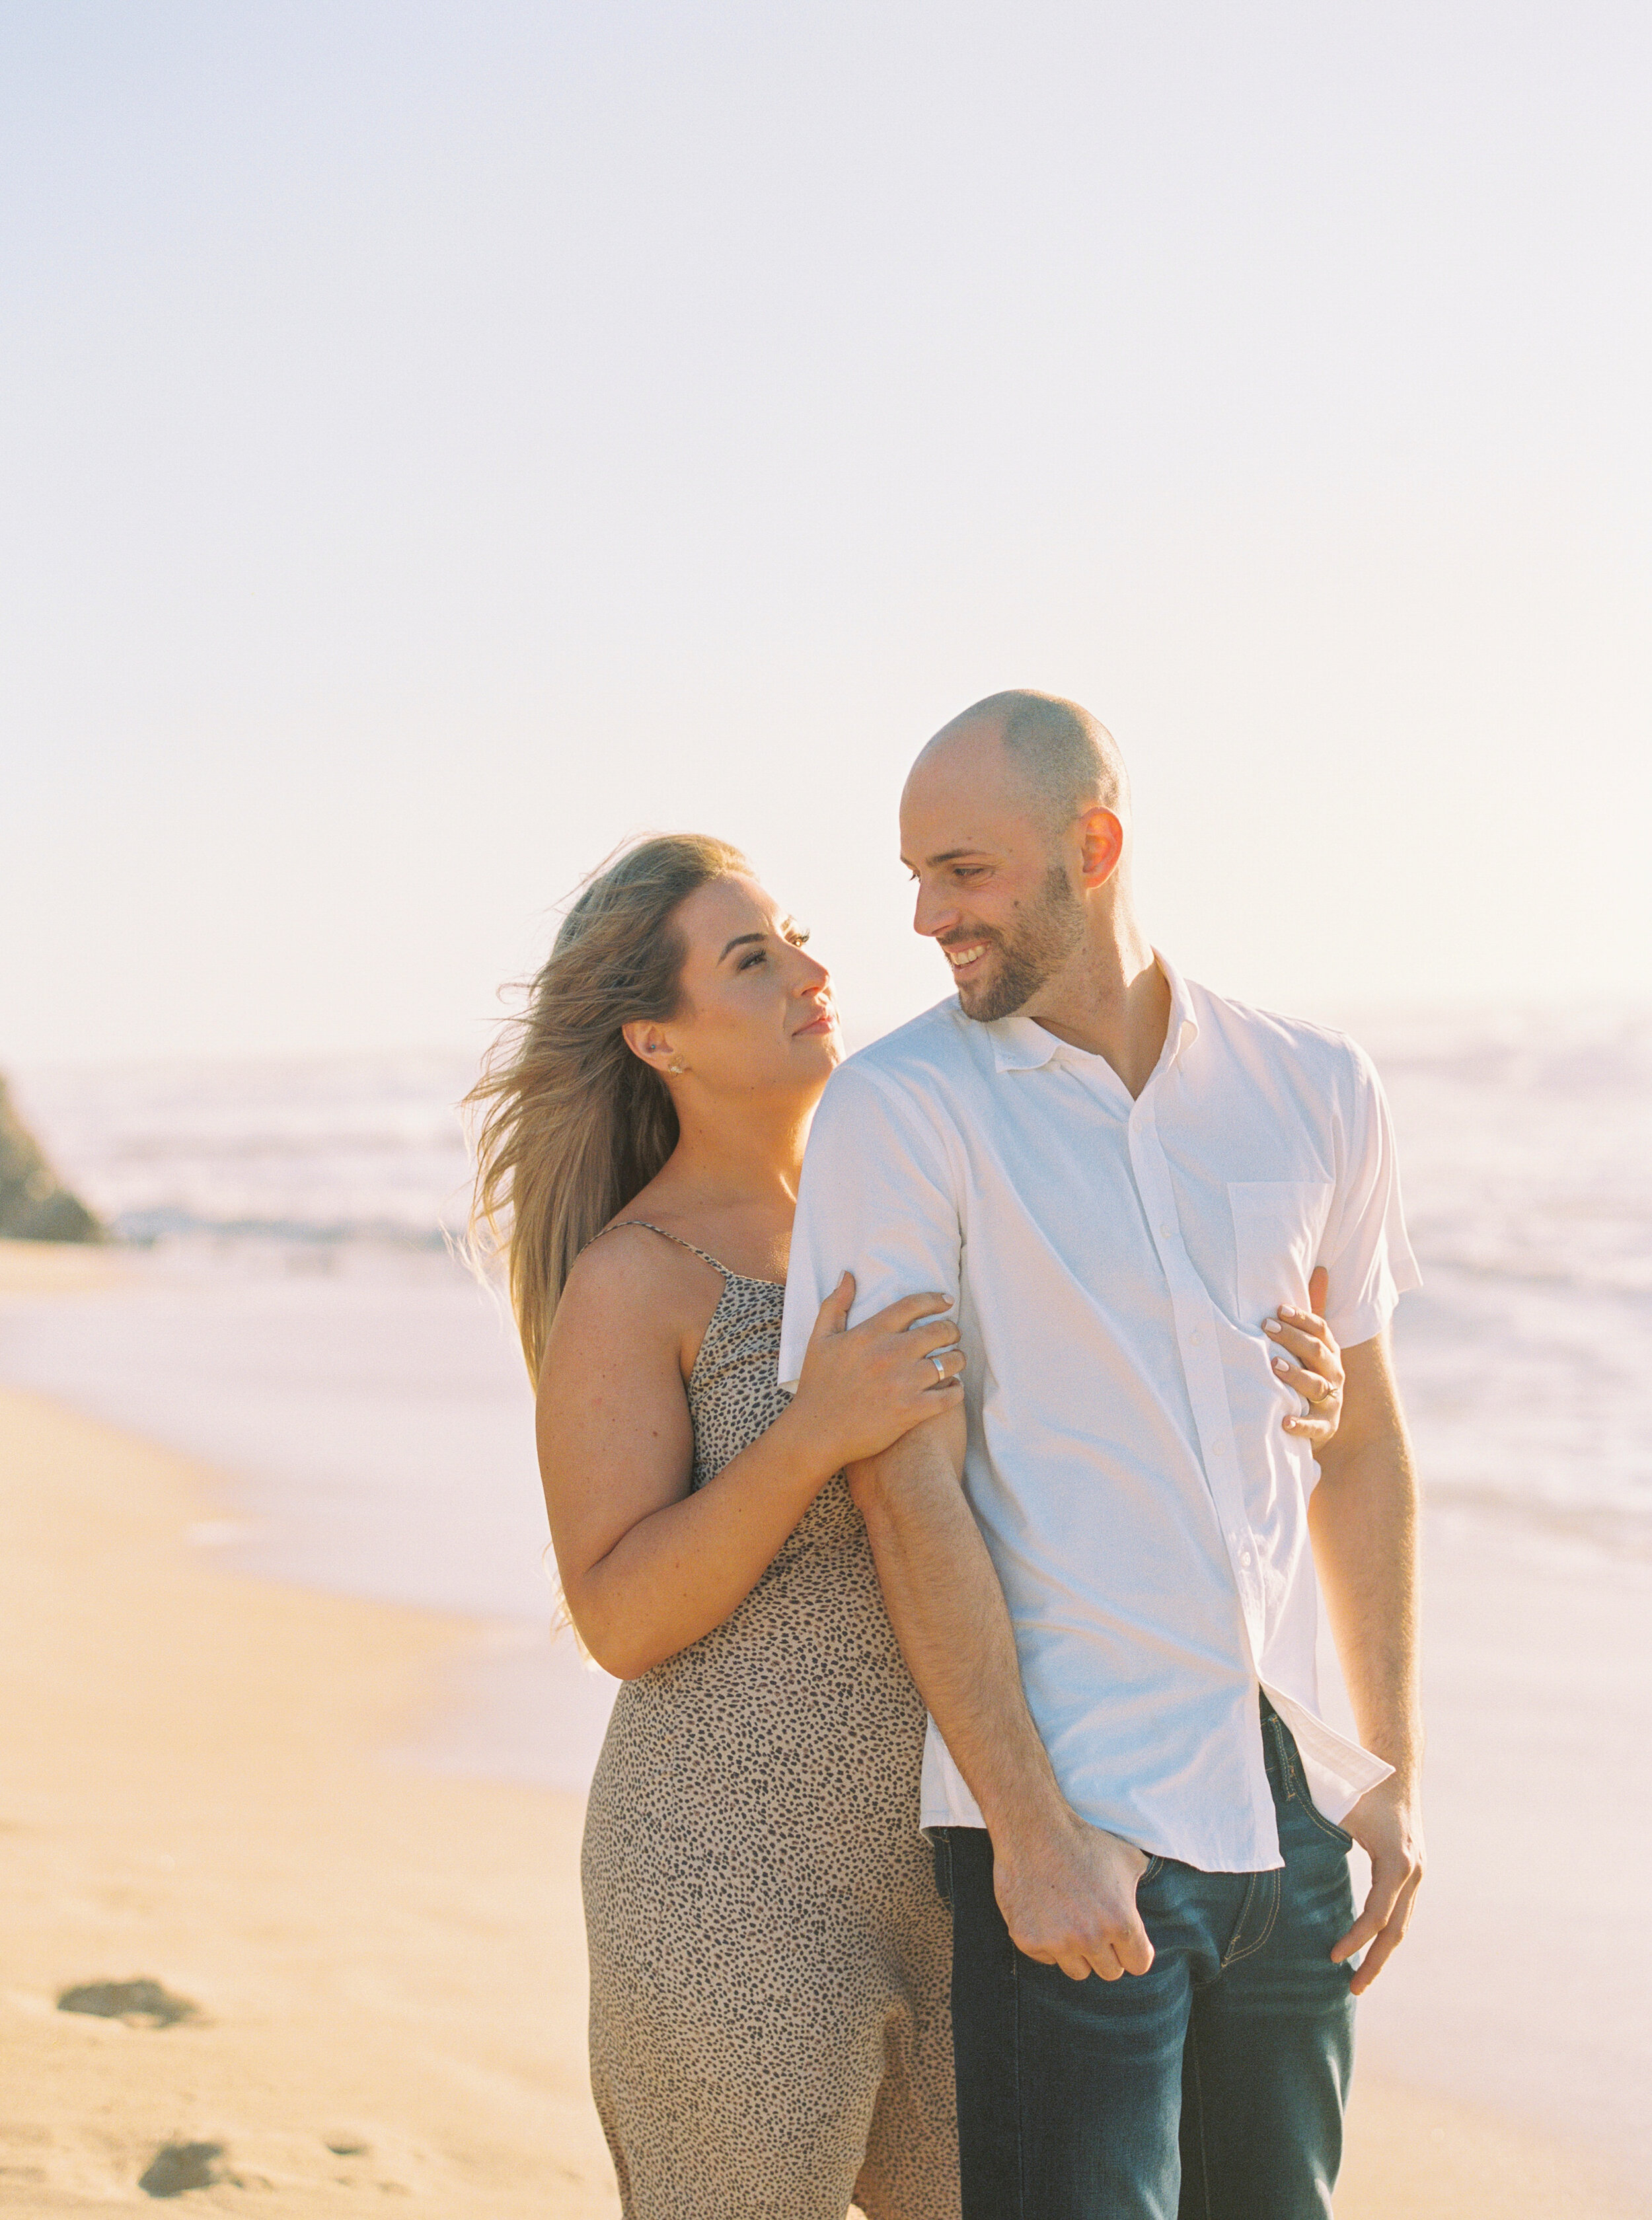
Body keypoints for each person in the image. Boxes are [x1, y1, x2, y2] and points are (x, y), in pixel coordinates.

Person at [468, 828, 1349, 2220]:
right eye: (750, 960)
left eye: (800, 937)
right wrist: (811, 1433)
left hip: (978, 1846)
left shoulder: (922, 1177)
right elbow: (618, 1615)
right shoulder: (635, 1278)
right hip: (730, 1864)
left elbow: (1108, 1408)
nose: (812, 971)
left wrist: (1298, 1381)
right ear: (656, 1040)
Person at [778, 691, 1422, 2220]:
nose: (928, 917)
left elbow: (1367, 1453)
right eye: (914, 879)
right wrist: (1028, 1833)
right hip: (1078, 1829)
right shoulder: (900, 1111)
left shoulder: (1313, 1089)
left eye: (964, 871)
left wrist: (1388, 1775)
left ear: (1095, 844)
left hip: (1285, 1809)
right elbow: (901, 1483)